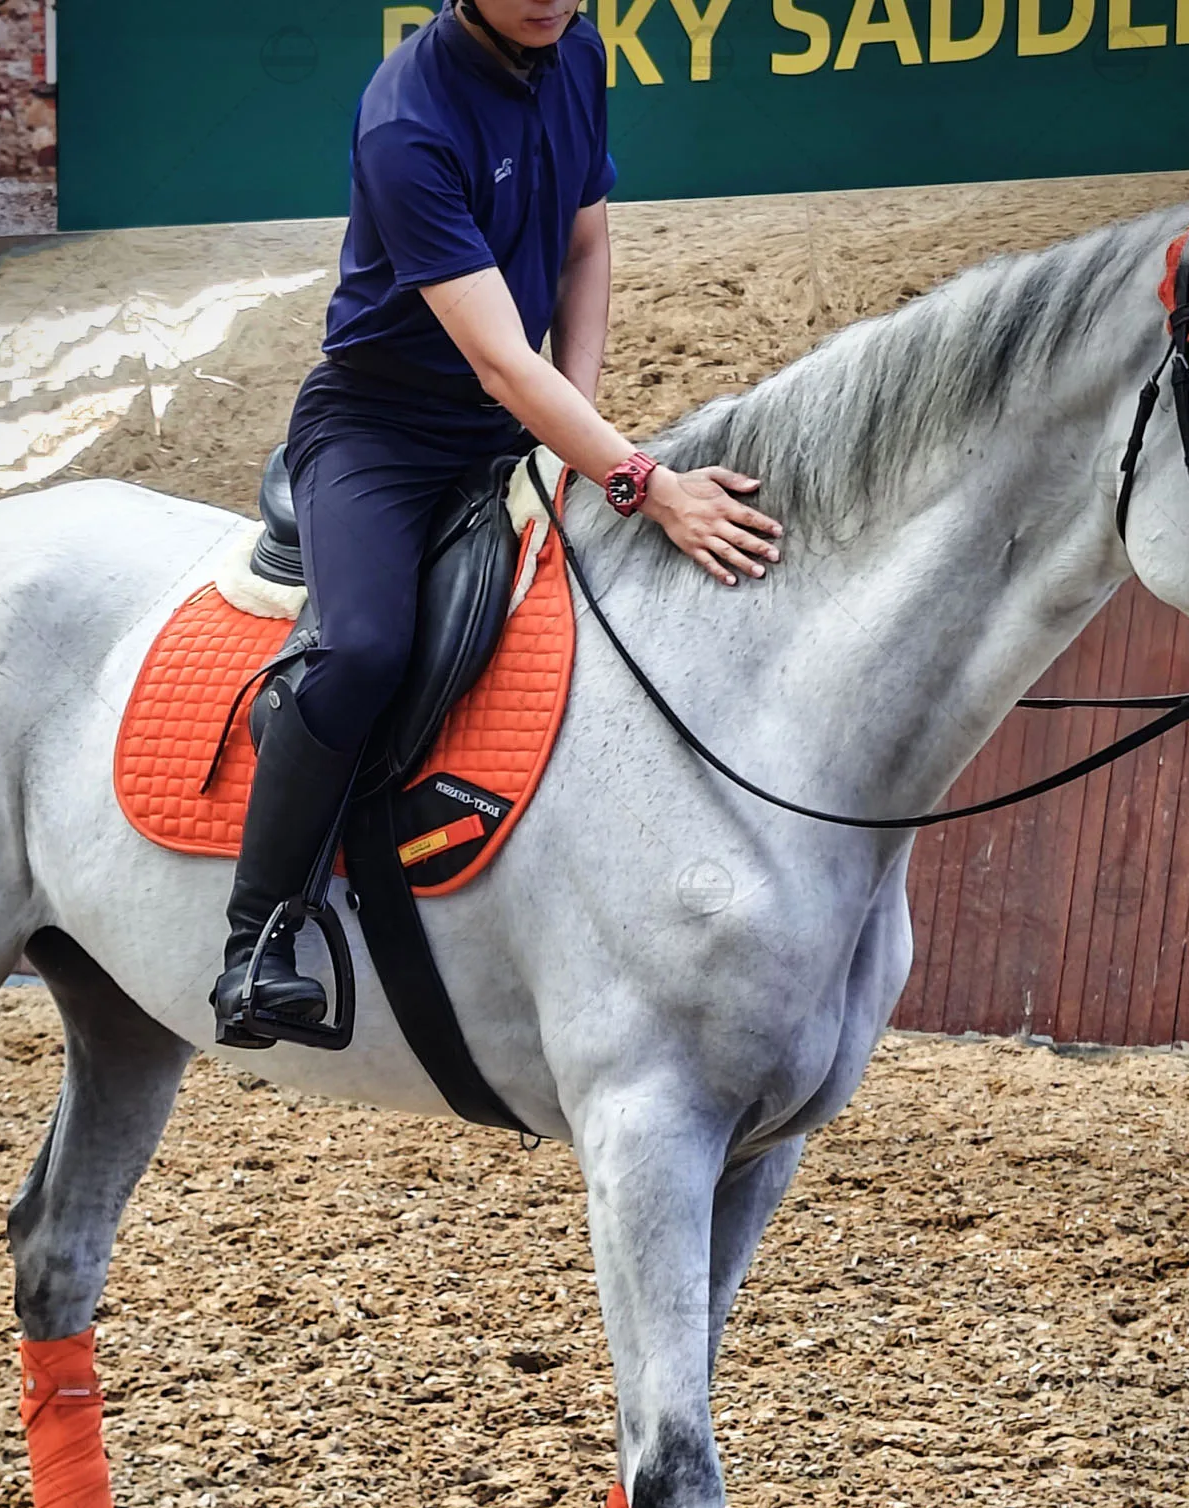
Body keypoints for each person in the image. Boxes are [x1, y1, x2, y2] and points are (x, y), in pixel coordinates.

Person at [211, 0, 785, 1049]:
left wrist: (578, 425)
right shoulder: (406, 118)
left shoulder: (574, 51)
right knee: (365, 647)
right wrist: (636, 478)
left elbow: (583, 241)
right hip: (380, 432)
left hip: (517, 415)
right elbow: (492, 356)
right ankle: (256, 940)